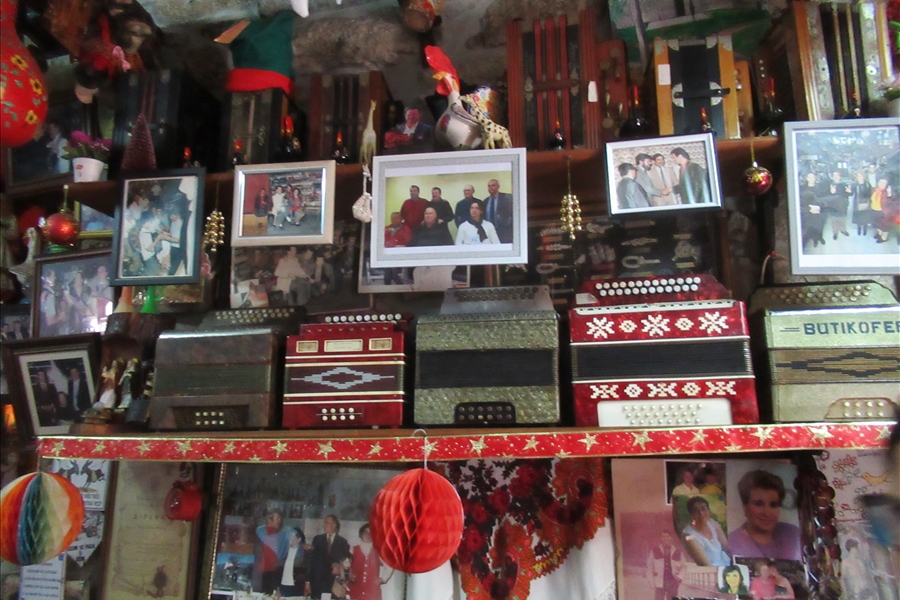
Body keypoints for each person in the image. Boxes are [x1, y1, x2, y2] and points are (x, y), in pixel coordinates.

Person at [727, 470, 801, 561]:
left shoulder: (792, 533)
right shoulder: (732, 543)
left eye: (773, 505)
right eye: (759, 504)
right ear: (745, 507)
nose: (767, 513)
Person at [306, 514, 350, 599]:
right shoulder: (317, 539)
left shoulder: (343, 542)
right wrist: (307, 581)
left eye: (326, 523)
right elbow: (311, 562)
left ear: (334, 525)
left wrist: (338, 565)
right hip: (317, 583)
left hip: (334, 585)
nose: (324, 525)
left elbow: (345, 562)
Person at [681, 496, 730, 567]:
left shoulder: (712, 523)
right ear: (691, 514)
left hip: (726, 564)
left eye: (704, 509)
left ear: (709, 511)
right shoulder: (688, 536)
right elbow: (706, 565)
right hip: (712, 570)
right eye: (696, 510)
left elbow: (727, 549)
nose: (701, 513)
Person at [254, 508, 291, 594]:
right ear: (269, 519)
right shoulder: (259, 531)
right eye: (277, 518)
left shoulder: (284, 534)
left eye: (280, 518)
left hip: (275, 573)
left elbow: (286, 552)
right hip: (260, 573)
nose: (280, 521)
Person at [348, 523, 387, 600]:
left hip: (372, 592)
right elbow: (346, 565)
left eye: (371, 532)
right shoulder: (353, 549)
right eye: (366, 532)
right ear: (361, 534)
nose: (368, 535)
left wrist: (383, 578)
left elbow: (390, 565)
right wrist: (350, 573)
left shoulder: (379, 551)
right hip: (355, 589)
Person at [647, 531, 684, 600]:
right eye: (663, 536)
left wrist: (680, 577)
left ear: (671, 538)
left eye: (667, 536)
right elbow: (650, 566)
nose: (665, 538)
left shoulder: (677, 551)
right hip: (659, 580)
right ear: (660, 538)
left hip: (673, 582)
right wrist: (651, 580)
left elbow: (684, 566)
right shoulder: (655, 550)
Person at [820, 169, 852, 240]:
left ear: (840, 176)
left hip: (842, 205)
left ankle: (843, 230)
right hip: (833, 205)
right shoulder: (828, 185)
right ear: (832, 176)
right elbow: (825, 195)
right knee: (834, 219)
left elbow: (849, 194)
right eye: (834, 175)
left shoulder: (844, 185)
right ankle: (835, 232)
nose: (836, 177)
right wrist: (831, 192)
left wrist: (850, 192)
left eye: (837, 175)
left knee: (842, 219)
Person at [799, 174, 827, 249]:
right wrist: (808, 208)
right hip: (807, 211)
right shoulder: (802, 188)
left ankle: (819, 237)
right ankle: (811, 238)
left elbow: (823, 199)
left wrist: (819, 207)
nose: (811, 179)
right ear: (806, 178)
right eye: (809, 177)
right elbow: (800, 200)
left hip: (818, 210)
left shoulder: (820, 188)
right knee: (809, 226)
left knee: (820, 224)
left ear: (815, 178)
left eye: (813, 177)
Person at [482, 179, 514, 243]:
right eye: (489, 186)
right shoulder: (485, 201)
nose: (491, 187)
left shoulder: (507, 198)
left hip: (505, 232)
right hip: (490, 232)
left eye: (493, 185)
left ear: (498, 186)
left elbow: (513, 214)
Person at [279, 526, 307, 597]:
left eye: (292, 536)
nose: (290, 539)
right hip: (283, 585)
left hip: (296, 586)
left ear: (299, 539)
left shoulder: (304, 553)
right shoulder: (284, 551)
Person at [849, 170, 874, 237]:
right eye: (858, 176)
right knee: (858, 216)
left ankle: (865, 228)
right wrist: (849, 191)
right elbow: (851, 194)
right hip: (857, 202)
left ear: (864, 177)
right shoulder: (854, 185)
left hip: (866, 202)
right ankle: (859, 228)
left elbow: (870, 194)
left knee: (865, 216)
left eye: (861, 176)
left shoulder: (867, 184)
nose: (859, 177)